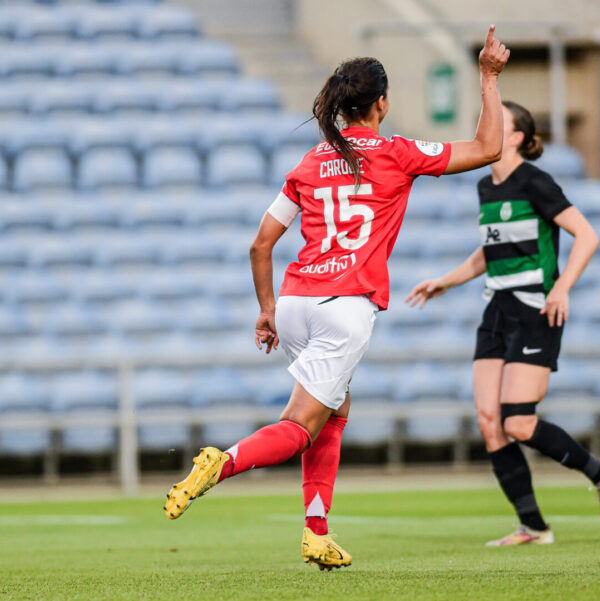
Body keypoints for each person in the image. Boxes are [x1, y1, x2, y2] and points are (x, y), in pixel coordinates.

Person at [162, 26, 512, 569]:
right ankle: (221, 462)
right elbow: (489, 147)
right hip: (345, 308)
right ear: (381, 103)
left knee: (336, 408)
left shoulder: (310, 162)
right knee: (301, 425)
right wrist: (488, 76)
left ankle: (316, 532)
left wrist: (267, 309)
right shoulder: (396, 153)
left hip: (297, 301)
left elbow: (260, 245)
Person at [405, 100, 600, 547]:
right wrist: (447, 280)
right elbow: (491, 250)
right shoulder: (486, 185)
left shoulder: (535, 182)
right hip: (497, 311)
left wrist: (562, 289)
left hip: (536, 310)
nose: (486, 126)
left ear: (520, 136)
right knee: (489, 422)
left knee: (518, 423)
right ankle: (534, 526)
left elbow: (587, 235)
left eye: (499, 124)